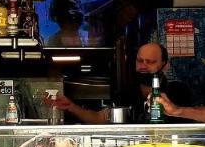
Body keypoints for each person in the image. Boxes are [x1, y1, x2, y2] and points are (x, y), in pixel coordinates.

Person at [46, 42, 194, 124]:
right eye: (140, 61)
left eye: (150, 62)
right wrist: (71, 107)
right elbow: (100, 118)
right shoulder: (127, 91)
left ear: (165, 65)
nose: (143, 66)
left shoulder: (178, 91)